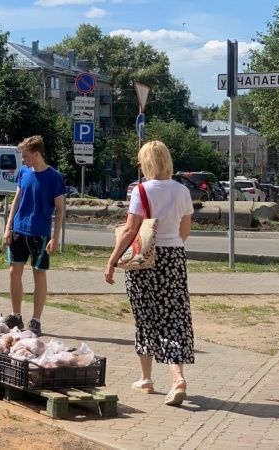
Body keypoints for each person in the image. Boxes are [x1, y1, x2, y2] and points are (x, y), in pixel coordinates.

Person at [104, 140, 194, 407]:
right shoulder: (182, 191)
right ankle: (165, 377)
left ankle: (157, 378)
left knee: (145, 315)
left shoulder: (140, 191)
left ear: (147, 163)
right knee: (174, 315)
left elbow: (131, 231)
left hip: (145, 259)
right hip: (174, 259)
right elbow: (184, 231)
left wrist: (112, 260)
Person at [2, 135, 66, 337]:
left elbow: (60, 209)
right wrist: (8, 226)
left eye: (26, 156)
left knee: (39, 274)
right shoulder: (23, 172)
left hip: (40, 233)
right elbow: (17, 199)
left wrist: (56, 237)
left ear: (37, 154)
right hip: (19, 230)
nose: (23, 160)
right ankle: (16, 315)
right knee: (14, 271)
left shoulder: (54, 178)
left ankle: (36, 320)